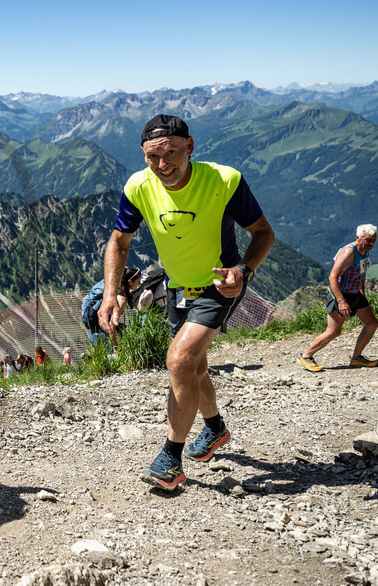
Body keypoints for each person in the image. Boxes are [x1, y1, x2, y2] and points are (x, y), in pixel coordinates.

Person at [98, 114, 275, 491]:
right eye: (152, 157)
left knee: (179, 359)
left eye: (172, 153)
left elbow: (263, 233)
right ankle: (215, 428)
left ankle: (170, 460)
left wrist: (243, 270)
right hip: (177, 287)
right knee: (194, 369)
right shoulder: (138, 187)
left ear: (190, 147)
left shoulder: (224, 181)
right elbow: (119, 240)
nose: (163, 166)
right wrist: (111, 293)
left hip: (219, 284)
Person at [299, 225, 378, 371]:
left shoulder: (365, 251)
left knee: (372, 323)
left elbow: (362, 273)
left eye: (373, 240)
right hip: (340, 294)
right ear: (357, 238)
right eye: (368, 240)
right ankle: (306, 356)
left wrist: (362, 293)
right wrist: (341, 301)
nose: (371, 244)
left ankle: (356, 358)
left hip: (355, 293)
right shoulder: (348, 252)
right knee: (334, 331)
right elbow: (332, 276)